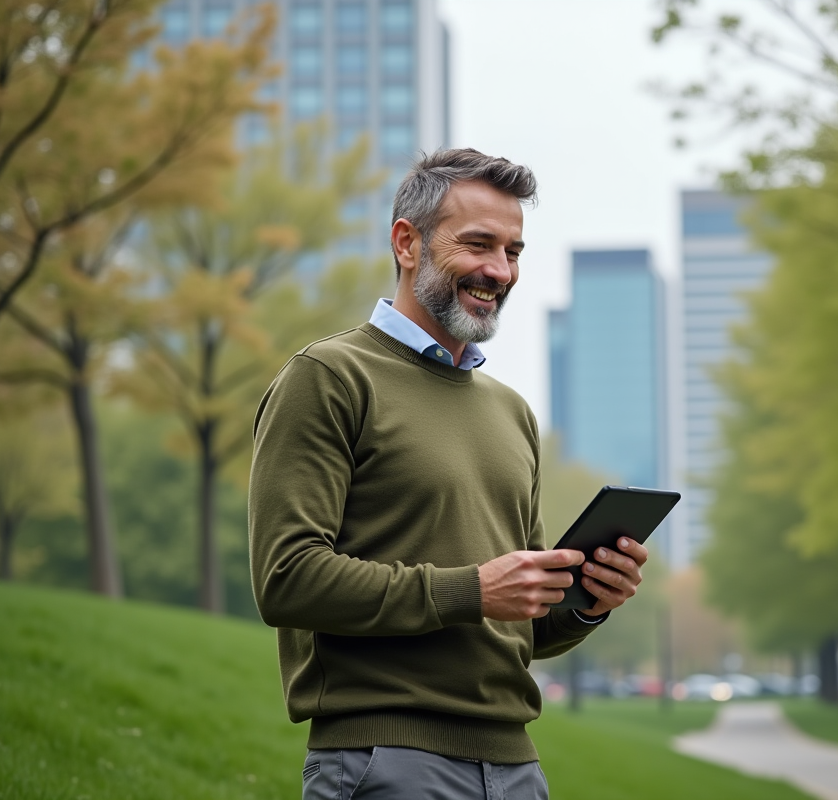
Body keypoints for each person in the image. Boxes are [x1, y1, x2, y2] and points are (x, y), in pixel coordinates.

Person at [248, 148, 647, 800]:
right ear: (407, 243)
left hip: (516, 765)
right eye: (479, 245)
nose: (499, 270)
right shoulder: (328, 379)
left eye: (514, 251)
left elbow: (515, 622)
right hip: (384, 760)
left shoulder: (511, 413)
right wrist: (471, 590)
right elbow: (286, 580)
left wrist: (586, 603)